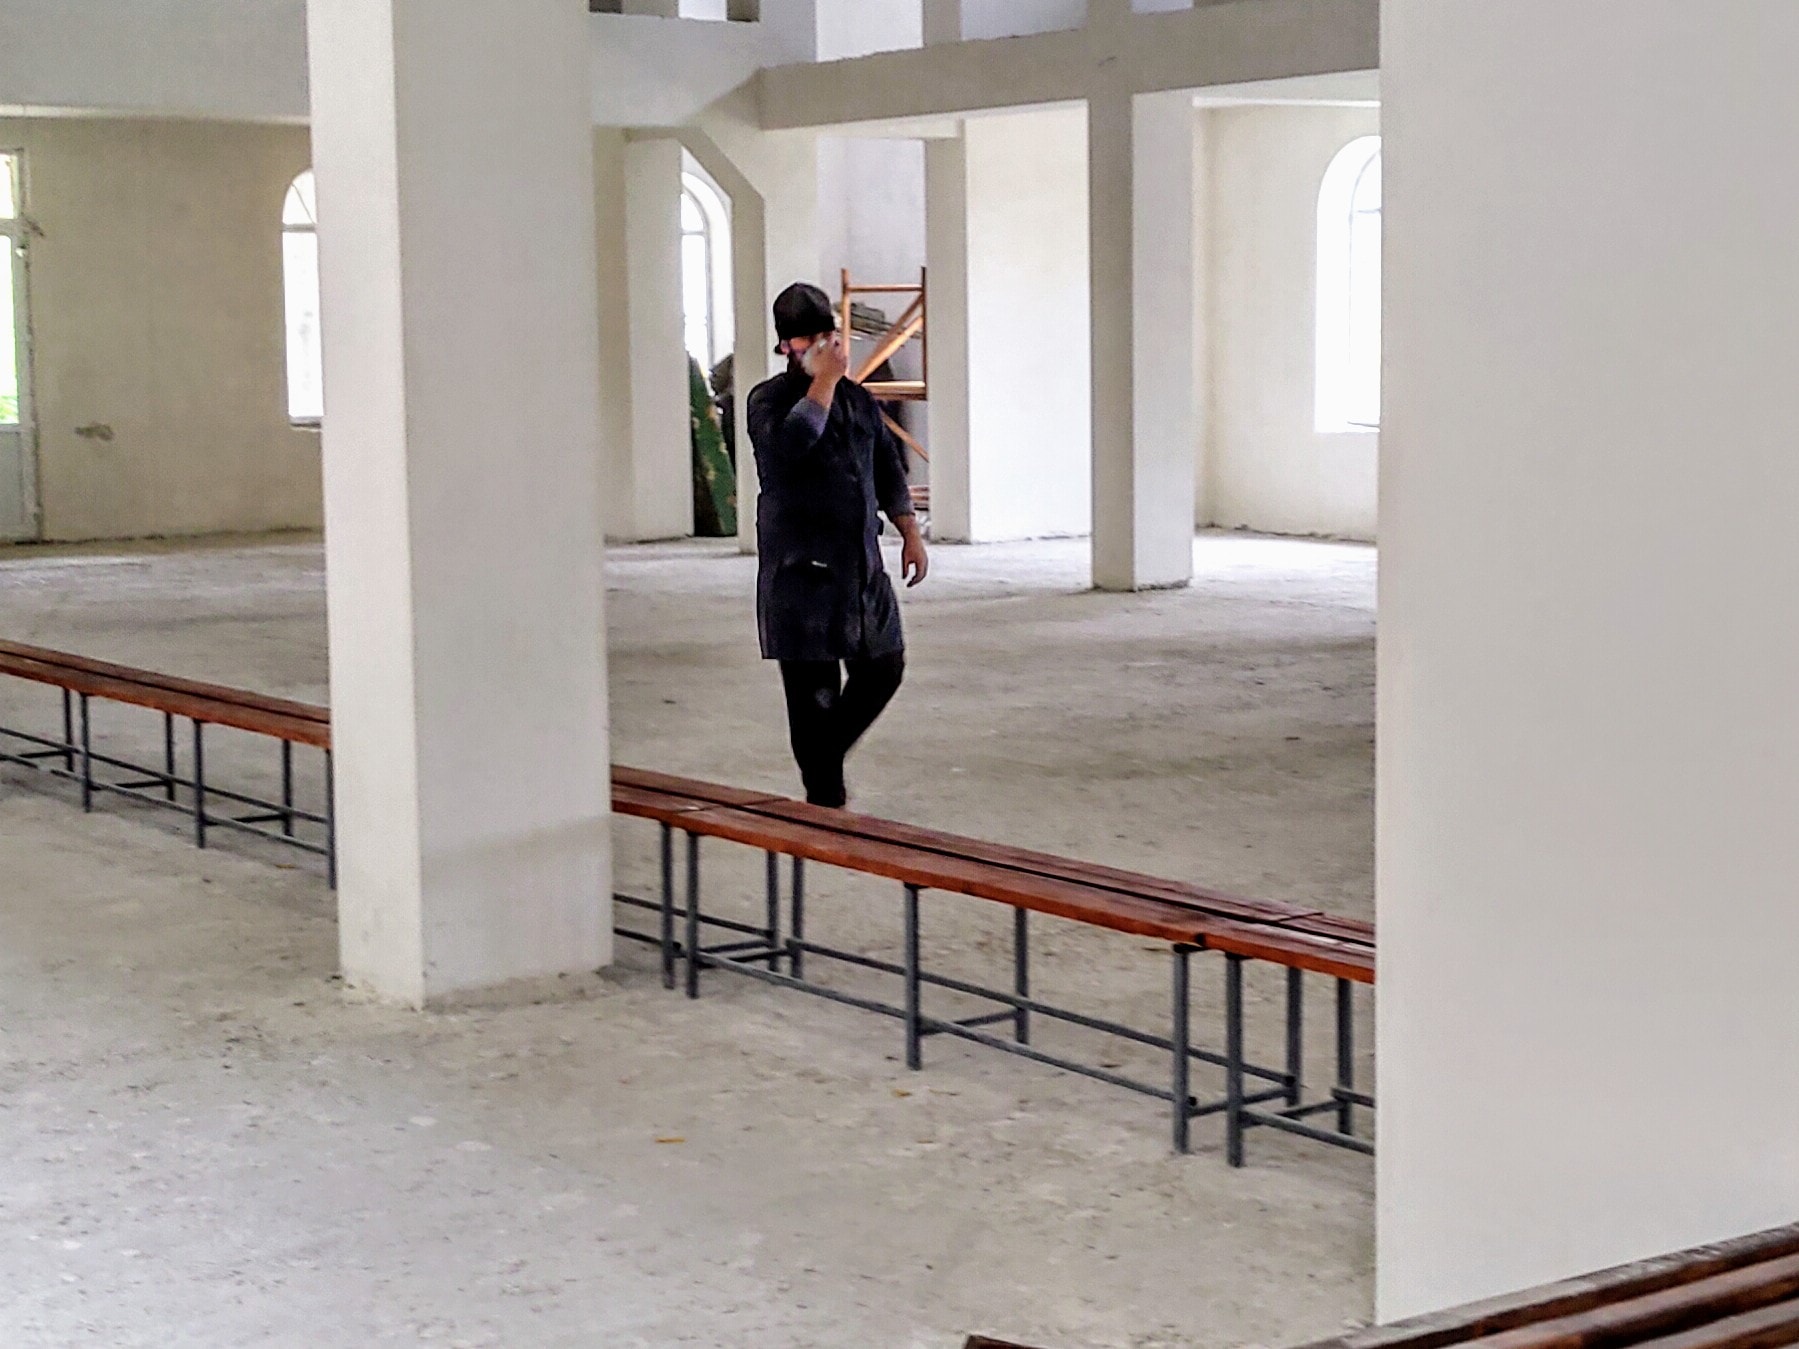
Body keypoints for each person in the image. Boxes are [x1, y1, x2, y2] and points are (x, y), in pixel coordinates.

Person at [747, 281, 929, 808]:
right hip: (801, 577)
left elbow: (887, 468)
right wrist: (824, 382)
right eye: (811, 340)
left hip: (860, 569)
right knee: (813, 701)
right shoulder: (768, 401)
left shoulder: (858, 401)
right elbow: (790, 447)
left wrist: (909, 532)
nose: (825, 348)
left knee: (885, 667)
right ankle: (825, 801)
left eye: (829, 336)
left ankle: (823, 768)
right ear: (787, 346)